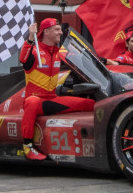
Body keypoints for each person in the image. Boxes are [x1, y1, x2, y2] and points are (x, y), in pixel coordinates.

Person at [19, 18, 95, 161]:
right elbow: (23, 59)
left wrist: (109, 62)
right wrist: (30, 38)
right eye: (57, 29)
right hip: (35, 101)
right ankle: (27, 147)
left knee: (90, 105)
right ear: (46, 32)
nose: (61, 32)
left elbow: (85, 61)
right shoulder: (34, 51)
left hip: (52, 99)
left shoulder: (59, 52)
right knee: (32, 101)